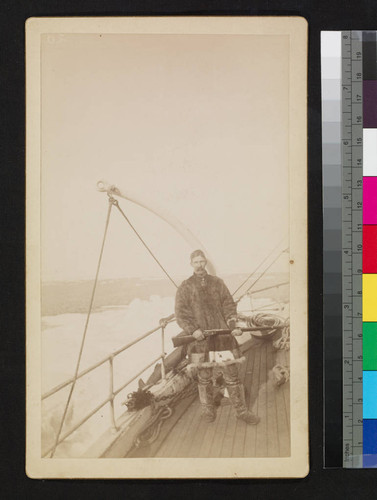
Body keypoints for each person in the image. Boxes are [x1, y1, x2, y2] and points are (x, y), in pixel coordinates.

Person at [175, 249, 260, 424]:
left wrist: (232, 325)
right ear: (191, 264)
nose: (199, 265)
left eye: (201, 261)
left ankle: (241, 411)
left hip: (223, 339)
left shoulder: (218, 283)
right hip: (200, 341)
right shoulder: (185, 286)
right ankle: (208, 411)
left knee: (232, 376)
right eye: (196, 262)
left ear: (205, 262)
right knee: (204, 378)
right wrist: (193, 330)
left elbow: (229, 305)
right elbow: (181, 314)